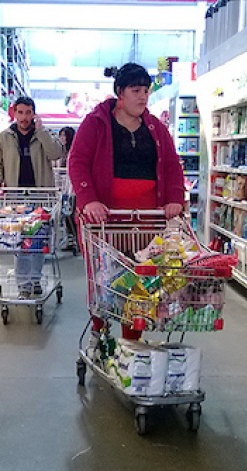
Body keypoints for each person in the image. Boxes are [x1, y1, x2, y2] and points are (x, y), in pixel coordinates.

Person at [69, 62, 185, 340]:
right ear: (120, 92)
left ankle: (132, 343)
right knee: (104, 280)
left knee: (140, 280)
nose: (143, 96)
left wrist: (175, 198)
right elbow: (78, 162)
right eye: (136, 90)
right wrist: (88, 200)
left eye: (146, 90)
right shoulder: (96, 123)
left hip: (145, 221)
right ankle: (99, 331)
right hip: (103, 221)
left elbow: (171, 165)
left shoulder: (155, 128)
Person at [0, 96, 65, 299]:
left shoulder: (43, 134)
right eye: (20, 112)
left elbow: (56, 153)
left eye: (28, 113)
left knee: (38, 241)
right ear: (14, 113)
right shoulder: (5, 137)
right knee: (19, 242)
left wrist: (41, 131)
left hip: (41, 197)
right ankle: (24, 284)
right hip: (15, 199)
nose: (24, 117)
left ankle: (35, 279)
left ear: (34, 114)